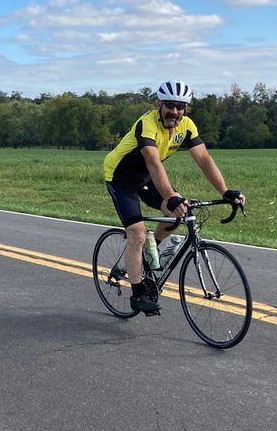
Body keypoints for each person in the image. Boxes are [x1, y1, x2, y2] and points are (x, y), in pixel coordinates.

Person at [103, 80, 246, 315]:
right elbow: (153, 162)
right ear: (159, 104)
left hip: (147, 179)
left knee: (181, 213)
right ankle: (138, 294)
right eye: (170, 105)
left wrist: (225, 192)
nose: (176, 112)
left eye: (181, 107)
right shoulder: (146, 124)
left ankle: (151, 252)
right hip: (121, 178)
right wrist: (170, 196)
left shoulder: (186, 126)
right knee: (137, 234)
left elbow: (204, 159)